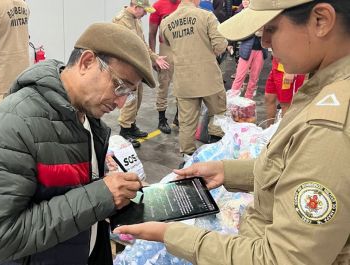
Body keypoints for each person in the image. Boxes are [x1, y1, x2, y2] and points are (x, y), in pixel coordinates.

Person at [114, 0, 350, 264]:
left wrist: (173, 235)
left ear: (321, 21)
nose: (266, 41)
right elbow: (294, 167)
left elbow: (283, 259)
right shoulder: (324, 89)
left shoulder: (330, 125)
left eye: (271, 28)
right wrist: (229, 172)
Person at [0, 22, 155, 265]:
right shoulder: (15, 123)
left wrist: (114, 191)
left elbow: (66, 192)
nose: (120, 102)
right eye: (120, 86)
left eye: (128, 93)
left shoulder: (87, 116)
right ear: (87, 62)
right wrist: (101, 195)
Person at [160, 0, 228, 158]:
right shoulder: (206, 16)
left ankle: (187, 159)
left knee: (186, 123)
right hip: (209, 78)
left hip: (183, 80)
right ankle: (214, 154)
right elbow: (220, 45)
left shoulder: (166, 22)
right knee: (218, 115)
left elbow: (169, 44)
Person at [113, 0, 169, 148]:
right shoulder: (120, 21)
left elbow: (142, 44)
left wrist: (155, 57)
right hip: (126, 68)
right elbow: (120, 48)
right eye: (144, 11)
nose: (145, 14)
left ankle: (131, 126)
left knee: (137, 99)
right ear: (136, 7)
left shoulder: (136, 20)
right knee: (129, 100)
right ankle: (124, 133)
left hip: (136, 68)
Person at [149, 0, 180, 134]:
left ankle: (179, 117)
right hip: (166, 49)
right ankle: (162, 119)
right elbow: (152, 34)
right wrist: (154, 58)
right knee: (164, 84)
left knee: (183, 84)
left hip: (182, 48)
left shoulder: (185, 3)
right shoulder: (158, 6)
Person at [229, 0, 267, 99]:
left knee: (254, 78)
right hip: (246, 49)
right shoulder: (240, 13)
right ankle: (232, 101)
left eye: (248, 0)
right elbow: (238, 31)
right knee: (239, 76)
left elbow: (265, 29)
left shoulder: (260, 13)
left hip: (260, 49)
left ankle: (248, 101)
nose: (245, 1)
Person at [265, 55, 306, 126]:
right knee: (269, 98)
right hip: (276, 66)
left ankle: (283, 133)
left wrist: (291, 70)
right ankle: (269, 130)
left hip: (287, 70)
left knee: (285, 104)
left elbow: (299, 46)